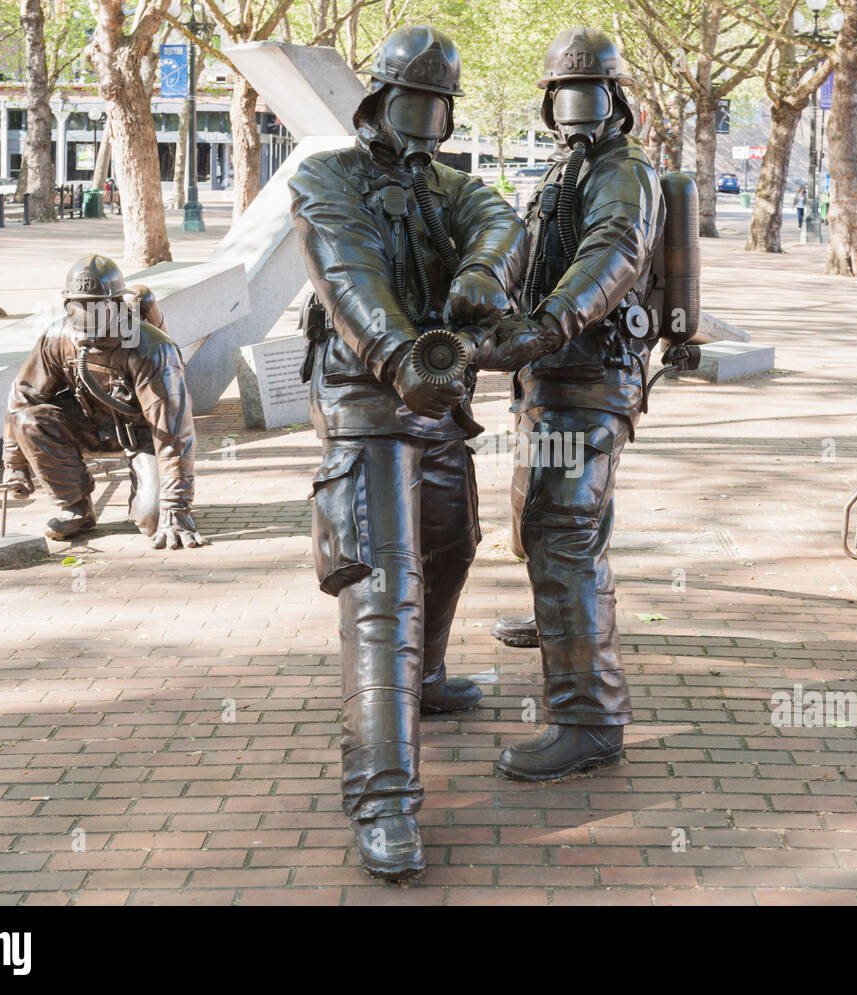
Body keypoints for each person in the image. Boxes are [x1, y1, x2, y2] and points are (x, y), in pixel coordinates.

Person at [288, 24, 527, 882]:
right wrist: (399, 358)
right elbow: (348, 273)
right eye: (411, 101)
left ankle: (421, 679)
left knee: (452, 543)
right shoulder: (325, 176)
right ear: (379, 100)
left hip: (441, 394)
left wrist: (484, 274)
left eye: (437, 106)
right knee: (384, 585)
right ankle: (385, 797)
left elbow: (497, 216)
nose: (423, 120)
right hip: (366, 391)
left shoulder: (451, 187)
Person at [482, 26, 665, 781]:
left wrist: (547, 324)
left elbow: (613, 251)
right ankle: (562, 622)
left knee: (563, 529)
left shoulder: (622, 173)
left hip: (588, 380)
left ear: (616, 100)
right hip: (554, 379)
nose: (574, 109)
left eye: (587, 94)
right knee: (563, 527)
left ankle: (589, 719)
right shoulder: (566, 171)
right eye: (563, 95)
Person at [1, 255, 204, 550]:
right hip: (90, 424)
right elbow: (23, 397)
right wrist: (14, 464)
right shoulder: (57, 338)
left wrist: (176, 507)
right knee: (29, 419)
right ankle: (75, 507)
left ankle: (155, 502)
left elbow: (175, 433)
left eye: (96, 307)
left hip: (144, 435)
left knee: (153, 518)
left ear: (118, 305)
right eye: (77, 307)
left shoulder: (152, 348)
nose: (86, 316)